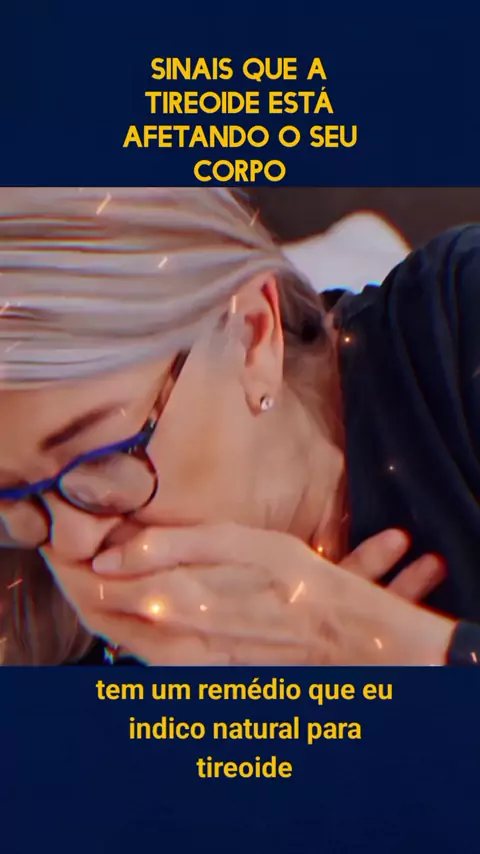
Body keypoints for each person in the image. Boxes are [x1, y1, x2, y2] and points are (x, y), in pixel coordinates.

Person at [0, 187, 478, 667]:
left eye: (105, 459)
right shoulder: (40, 621)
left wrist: (357, 641)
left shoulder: (455, 329)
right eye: (15, 497)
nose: (74, 544)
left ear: (252, 334)